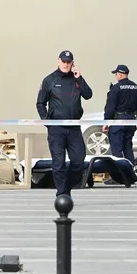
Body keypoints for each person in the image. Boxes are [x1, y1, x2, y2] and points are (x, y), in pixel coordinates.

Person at [36, 50, 93, 197]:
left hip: (74, 128)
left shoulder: (76, 79)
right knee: (58, 163)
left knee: (78, 160)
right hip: (56, 129)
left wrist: (79, 78)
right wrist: (47, 122)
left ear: (72, 63)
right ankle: (62, 193)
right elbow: (40, 103)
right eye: (63, 61)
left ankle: (66, 187)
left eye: (69, 62)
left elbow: (88, 95)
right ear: (58, 61)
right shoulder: (49, 80)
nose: (66, 64)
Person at [102, 64, 137, 174]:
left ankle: (119, 176)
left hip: (118, 121)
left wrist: (106, 122)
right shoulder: (136, 87)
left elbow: (110, 107)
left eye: (116, 74)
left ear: (120, 75)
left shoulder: (116, 88)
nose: (116, 76)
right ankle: (130, 174)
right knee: (128, 148)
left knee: (117, 150)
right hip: (131, 121)